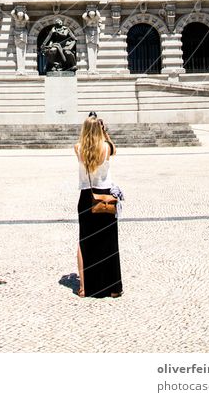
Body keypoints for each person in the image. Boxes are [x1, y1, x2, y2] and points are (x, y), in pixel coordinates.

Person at [74, 112, 123, 298]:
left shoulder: (77, 148)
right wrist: (104, 132)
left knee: (84, 241)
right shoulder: (106, 148)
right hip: (105, 196)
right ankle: (112, 288)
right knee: (108, 241)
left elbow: (85, 145)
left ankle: (84, 288)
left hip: (87, 197)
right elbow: (114, 149)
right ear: (99, 129)